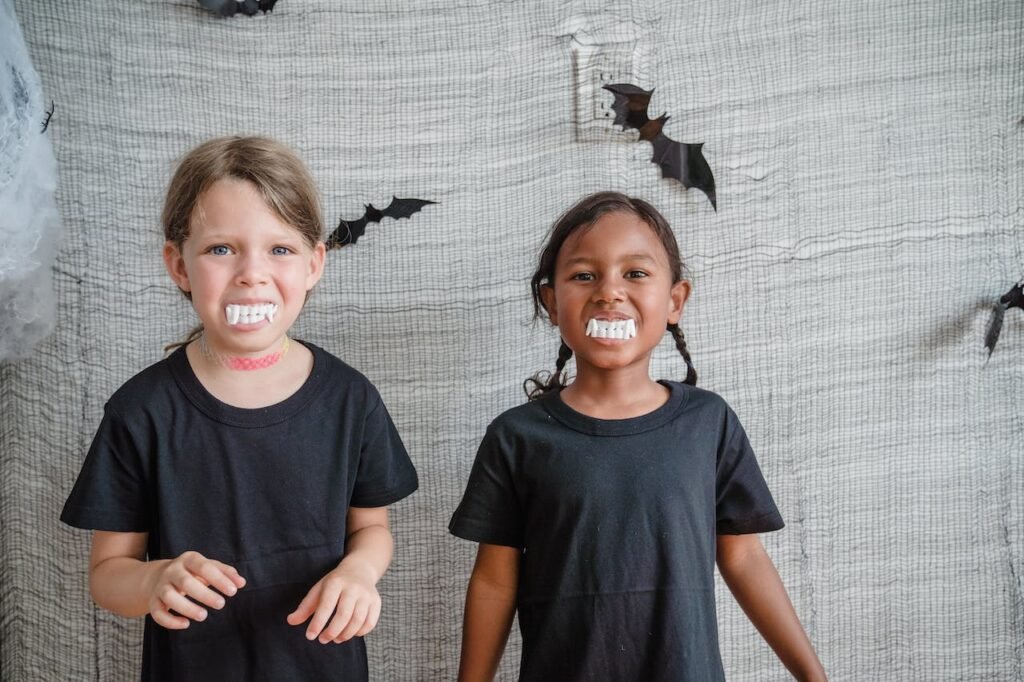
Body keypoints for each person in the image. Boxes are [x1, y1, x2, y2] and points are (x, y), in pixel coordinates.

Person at [61, 136, 418, 681]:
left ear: (314, 263)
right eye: (221, 249)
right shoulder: (141, 412)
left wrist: (359, 572)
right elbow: (108, 573)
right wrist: (155, 581)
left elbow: (372, 528)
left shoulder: (351, 399)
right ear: (178, 265)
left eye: (280, 249)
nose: (252, 273)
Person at [449, 192, 826, 681]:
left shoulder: (707, 424)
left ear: (675, 301)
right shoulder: (517, 437)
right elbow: (494, 581)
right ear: (552, 302)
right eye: (584, 275)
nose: (609, 292)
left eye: (635, 273)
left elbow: (746, 559)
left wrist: (813, 676)